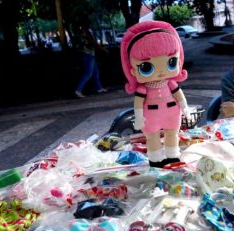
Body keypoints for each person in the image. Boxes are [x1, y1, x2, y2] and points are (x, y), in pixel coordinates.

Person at [120, 21, 190, 168]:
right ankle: (155, 160)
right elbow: (138, 103)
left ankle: (172, 156)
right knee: (152, 138)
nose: (161, 72)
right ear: (132, 70)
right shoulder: (143, 89)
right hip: (151, 116)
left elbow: (179, 94)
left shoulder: (170, 83)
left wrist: (185, 108)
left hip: (171, 113)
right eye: (146, 67)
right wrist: (138, 118)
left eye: (171, 62)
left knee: (172, 135)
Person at [74, 25, 109, 98]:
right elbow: (93, 43)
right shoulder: (86, 32)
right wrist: (103, 49)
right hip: (88, 54)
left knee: (95, 72)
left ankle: (99, 88)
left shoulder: (80, 33)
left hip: (86, 53)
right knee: (88, 73)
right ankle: (78, 90)